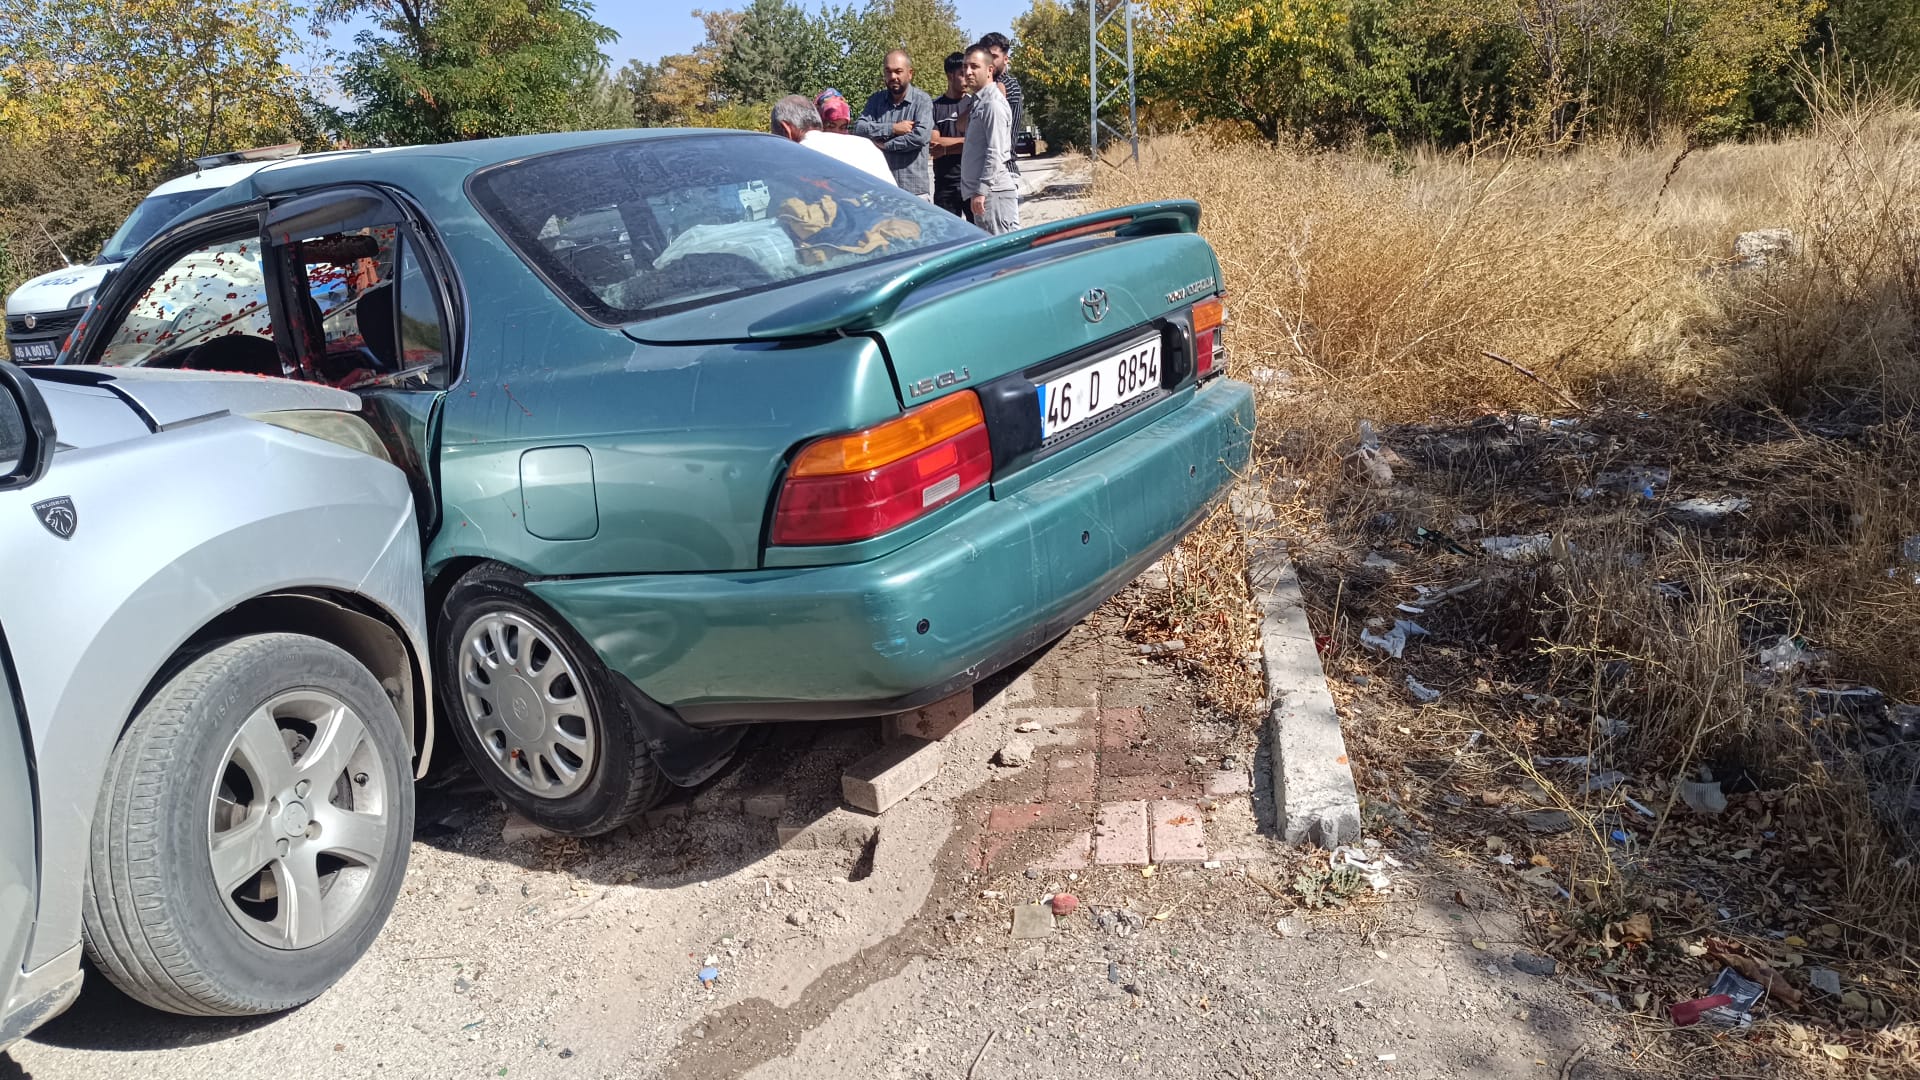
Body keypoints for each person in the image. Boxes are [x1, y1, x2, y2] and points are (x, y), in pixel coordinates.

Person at [853, 50, 933, 198]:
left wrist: (885, 145)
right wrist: (893, 128)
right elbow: (859, 128)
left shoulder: (922, 101)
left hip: (914, 192)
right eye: (888, 72)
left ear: (910, 73)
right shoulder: (876, 101)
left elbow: (920, 137)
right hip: (881, 190)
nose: (893, 77)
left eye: (898, 71)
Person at [771, 94, 896, 186]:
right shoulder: (866, 146)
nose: (837, 132)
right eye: (831, 125)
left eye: (843, 127)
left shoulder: (799, 160)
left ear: (786, 130)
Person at [958, 46, 1017, 234]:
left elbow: (995, 151)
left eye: (974, 66)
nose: (967, 72)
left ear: (989, 70)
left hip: (993, 194)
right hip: (986, 195)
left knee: (1004, 258)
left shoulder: (992, 104)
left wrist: (982, 190)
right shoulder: (979, 102)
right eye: (965, 66)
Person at [928, 52, 969, 217]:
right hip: (944, 184)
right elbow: (933, 142)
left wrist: (945, 149)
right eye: (962, 74)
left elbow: (979, 143)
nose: (967, 78)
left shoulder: (975, 104)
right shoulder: (934, 107)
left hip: (971, 182)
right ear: (950, 76)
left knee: (980, 235)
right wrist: (966, 142)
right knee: (951, 238)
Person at [978, 31, 1024, 173]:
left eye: (994, 57)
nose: (989, 62)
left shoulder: (1006, 85)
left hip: (1001, 168)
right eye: (986, 57)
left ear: (1005, 59)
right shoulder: (985, 88)